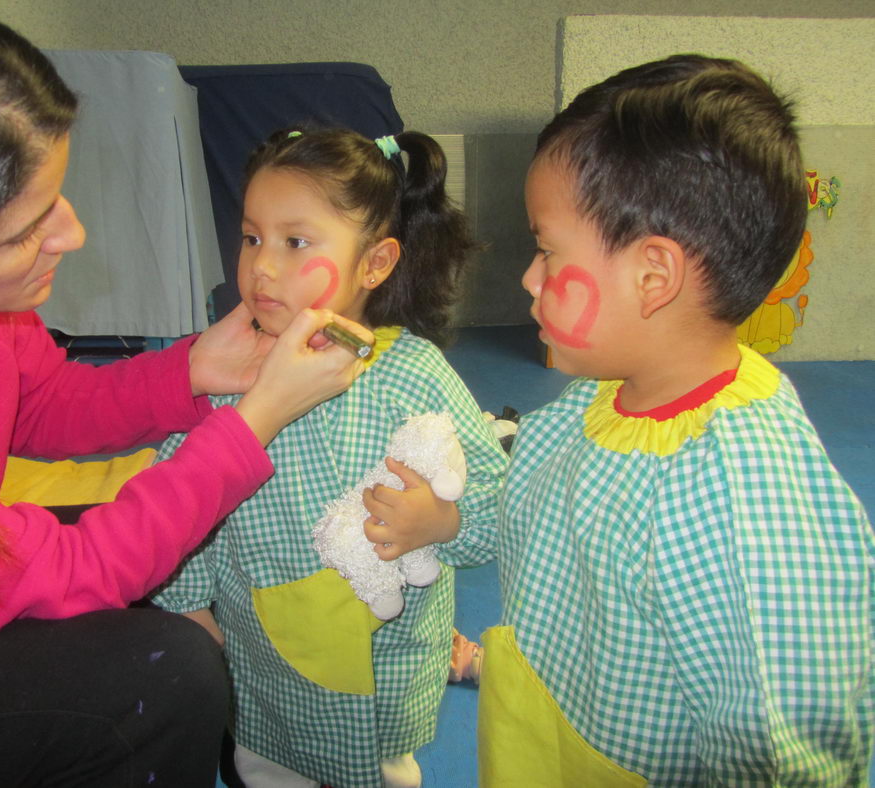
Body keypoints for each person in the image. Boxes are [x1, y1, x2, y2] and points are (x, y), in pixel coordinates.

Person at [0, 2, 370, 786]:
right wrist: (254, 422)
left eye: (57, 196)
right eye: (22, 233)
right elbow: (76, 569)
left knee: (178, 565)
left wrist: (191, 370)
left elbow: (39, 404)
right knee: (161, 674)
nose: (72, 236)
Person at [479, 54, 874, 786]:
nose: (529, 280)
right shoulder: (607, 397)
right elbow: (531, 493)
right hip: (549, 735)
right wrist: (443, 518)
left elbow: (779, 746)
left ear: (652, 278)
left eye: (545, 250)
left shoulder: (739, 493)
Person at [151, 127, 508, 788]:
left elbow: (498, 497)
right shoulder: (226, 374)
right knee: (267, 769)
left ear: (372, 265)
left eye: (295, 242)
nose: (261, 266)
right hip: (264, 667)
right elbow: (177, 500)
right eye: (252, 237)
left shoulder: (415, 374)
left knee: (386, 773)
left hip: (388, 666)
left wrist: (443, 522)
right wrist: (189, 607)